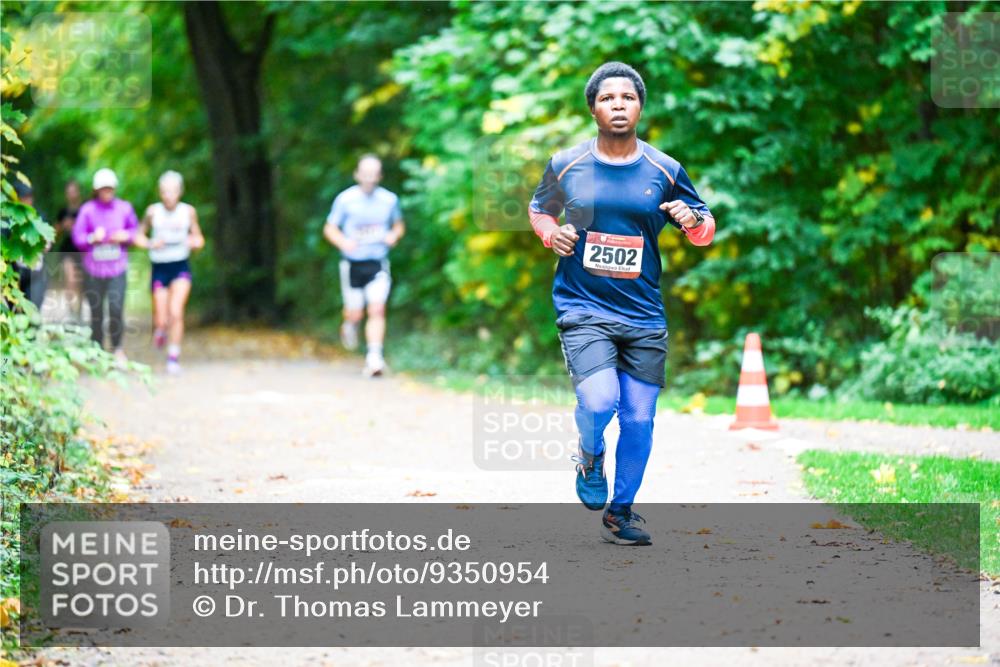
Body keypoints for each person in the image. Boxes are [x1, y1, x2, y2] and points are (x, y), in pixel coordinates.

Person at [527, 62, 716, 546]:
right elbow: (538, 209)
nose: (618, 105)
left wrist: (690, 217)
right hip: (582, 305)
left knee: (638, 418)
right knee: (598, 400)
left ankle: (622, 511)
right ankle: (591, 455)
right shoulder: (566, 163)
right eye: (608, 98)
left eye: (627, 98)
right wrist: (553, 235)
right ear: (593, 108)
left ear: (640, 107)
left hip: (643, 313)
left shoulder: (664, 169)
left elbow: (704, 230)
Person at [323, 154, 405, 377]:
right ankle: (350, 323)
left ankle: (374, 358)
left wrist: (393, 236)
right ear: (357, 174)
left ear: (379, 175)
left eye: (373, 173)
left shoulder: (389, 200)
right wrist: (343, 242)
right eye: (365, 173)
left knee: (377, 308)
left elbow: (398, 226)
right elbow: (330, 228)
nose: (369, 178)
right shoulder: (345, 200)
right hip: (352, 264)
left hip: (377, 262)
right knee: (355, 313)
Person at [133, 170, 204, 374]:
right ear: (160, 192)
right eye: (164, 191)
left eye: (172, 191)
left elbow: (199, 239)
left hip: (180, 265)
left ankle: (173, 356)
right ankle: (161, 330)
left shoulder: (188, 212)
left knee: (176, 311)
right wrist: (150, 243)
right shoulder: (152, 212)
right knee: (162, 318)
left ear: (180, 192)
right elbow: (138, 236)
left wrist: (193, 242)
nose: (168, 196)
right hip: (160, 267)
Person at [72, 168, 138, 364]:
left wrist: (125, 236)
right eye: (103, 189)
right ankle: (97, 349)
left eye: (110, 188)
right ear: (96, 190)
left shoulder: (124, 208)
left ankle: (117, 348)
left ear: (115, 189)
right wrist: (93, 238)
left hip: (117, 268)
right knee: (96, 311)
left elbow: (135, 232)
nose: (106, 192)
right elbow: (78, 238)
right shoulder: (87, 210)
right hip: (93, 270)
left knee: (116, 308)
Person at [13, 181, 49, 310]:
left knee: (33, 313)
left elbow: (47, 244)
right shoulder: (8, 219)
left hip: (36, 273)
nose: (27, 201)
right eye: (23, 197)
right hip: (14, 274)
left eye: (29, 197)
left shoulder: (40, 218)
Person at [54, 179, 84, 323]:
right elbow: (54, 233)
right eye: (69, 192)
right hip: (67, 250)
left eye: (74, 191)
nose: (72, 194)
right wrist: (62, 226)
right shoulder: (62, 212)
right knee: (70, 280)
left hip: (84, 251)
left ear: (78, 192)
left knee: (82, 283)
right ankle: (72, 313)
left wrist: (77, 226)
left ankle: (79, 311)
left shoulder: (85, 209)